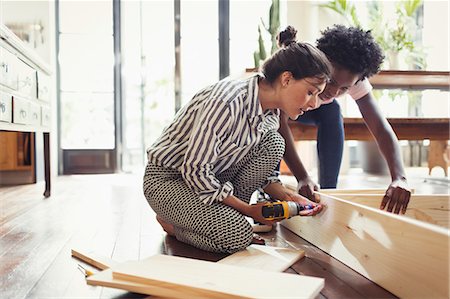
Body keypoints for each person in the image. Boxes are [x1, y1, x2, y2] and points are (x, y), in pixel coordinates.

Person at [143, 26, 330, 253]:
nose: (314, 104)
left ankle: (221, 217)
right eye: (311, 92)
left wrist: (294, 199)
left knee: (275, 143)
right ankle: (173, 225)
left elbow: (267, 177)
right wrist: (248, 210)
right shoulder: (228, 101)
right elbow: (195, 170)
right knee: (238, 235)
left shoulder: (272, 114)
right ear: (286, 79)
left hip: (214, 180)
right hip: (170, 180)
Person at [278, 25, 411, 214]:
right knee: (270, 123)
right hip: (282, 109)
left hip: (316, 111)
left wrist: (400, 178)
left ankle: (328, 190)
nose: (333, 91)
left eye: (344, 88)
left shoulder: (353, 78)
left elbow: (381, 129)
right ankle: (270, 183)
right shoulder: (304, 61)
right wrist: (302, 177)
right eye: (330, 81)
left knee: (332, 110)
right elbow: (279, 124)